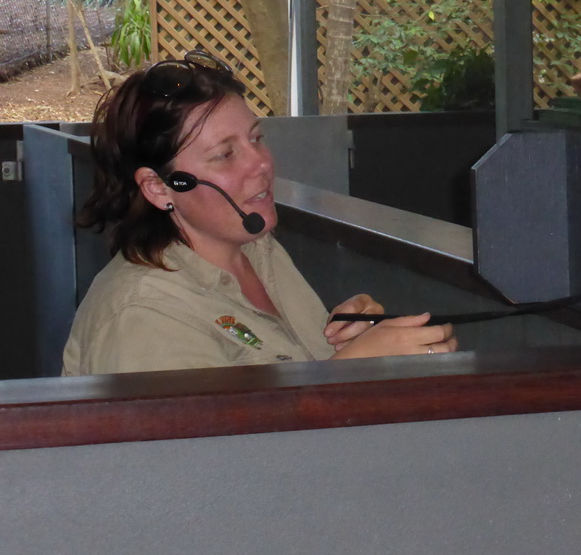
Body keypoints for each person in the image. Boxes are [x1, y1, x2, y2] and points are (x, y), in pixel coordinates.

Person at [62, 49, 456, 375]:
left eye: (256, 138)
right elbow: (208, 463)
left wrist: (353, 342)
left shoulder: (256, 249)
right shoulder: (143, 315)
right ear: (158, 187)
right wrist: (351, 371)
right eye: (225, 155)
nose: (261, 163)